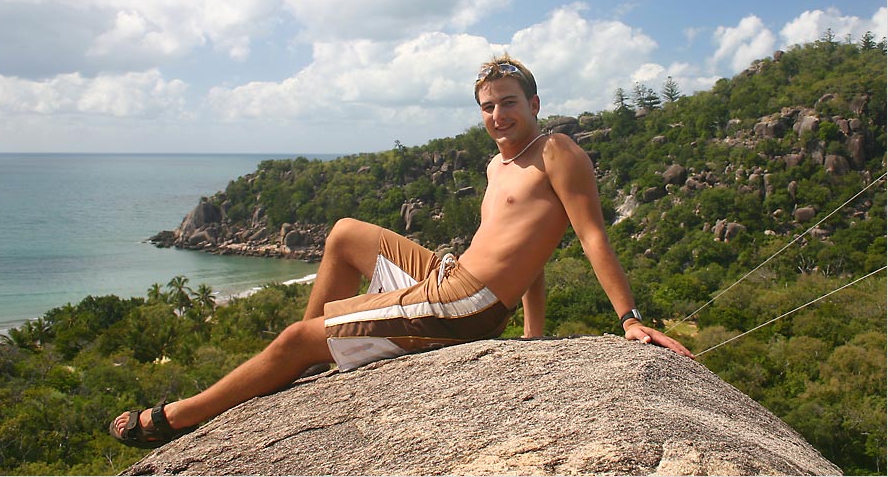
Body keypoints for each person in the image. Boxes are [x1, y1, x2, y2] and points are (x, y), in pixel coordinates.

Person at [110, 54, 693, 448]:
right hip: (452, 275)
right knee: (341, 233)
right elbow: (531, 252)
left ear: (535, 103)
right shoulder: (498, 164)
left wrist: (628, 318)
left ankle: (180, 416)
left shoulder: (558, 150)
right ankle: (311, 351)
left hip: (467, 302)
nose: (497, 116)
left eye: (508, 103)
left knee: (292, 340)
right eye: (487, 107)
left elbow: (590, 235)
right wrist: (533, 337)